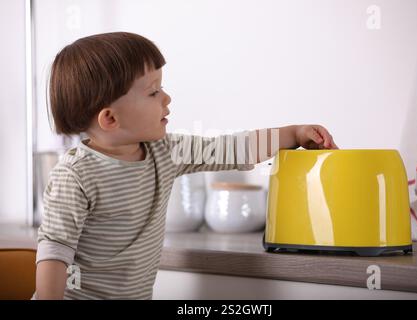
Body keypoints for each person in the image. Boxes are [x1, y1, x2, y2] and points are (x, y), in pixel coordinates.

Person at [34, 32, 338, 299]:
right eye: (153, 92)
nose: (166, 98)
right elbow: (54, 250)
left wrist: (295, 133)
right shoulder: (75, 174)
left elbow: (232, 148)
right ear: (110, 118)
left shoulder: (166, 151)